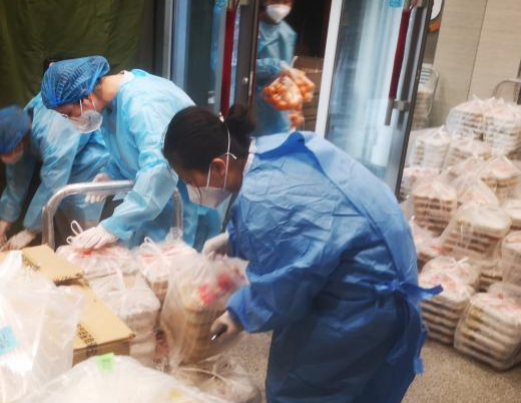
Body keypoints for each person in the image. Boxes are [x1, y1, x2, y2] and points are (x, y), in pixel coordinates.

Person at [162, 105, 441, 403]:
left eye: (190, 181)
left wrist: (240, 313)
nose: (191, 190)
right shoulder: (275, 150)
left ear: (219, 166)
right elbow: (315, 219)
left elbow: (286, 286)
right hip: (386, 265)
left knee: (305, 388)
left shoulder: (264, 198)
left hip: (362, 297)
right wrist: (236, 236)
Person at [40, 56, 220, 249]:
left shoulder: (143, 103)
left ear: (85, 98)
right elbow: (130, 150)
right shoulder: (110, 106)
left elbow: (158, 169)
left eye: (68, 114)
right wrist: (112, 174)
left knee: (178, 263)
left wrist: (113, 226)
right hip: (155, 206)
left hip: (185, 210)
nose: (71, 120)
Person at [0, 96, 108, 250]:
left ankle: (87, 254)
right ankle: (69, 252)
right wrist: (5, 219)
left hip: (90, 155)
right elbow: (16, 178)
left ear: (19, 143)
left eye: (7, 153)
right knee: (61, 208)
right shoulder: (16, 126)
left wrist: (30, 231)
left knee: (77, 208)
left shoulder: (53, 135)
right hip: (65, 151)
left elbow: (53, 184)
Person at [254, 0, 297, 137]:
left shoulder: (288, 33)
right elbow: (240, 66)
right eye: (276, 0)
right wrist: (274, 65)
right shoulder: (250, 28)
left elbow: (287, 68)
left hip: (279, 104)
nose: (281, 6)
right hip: (253, 101)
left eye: (286, 2)